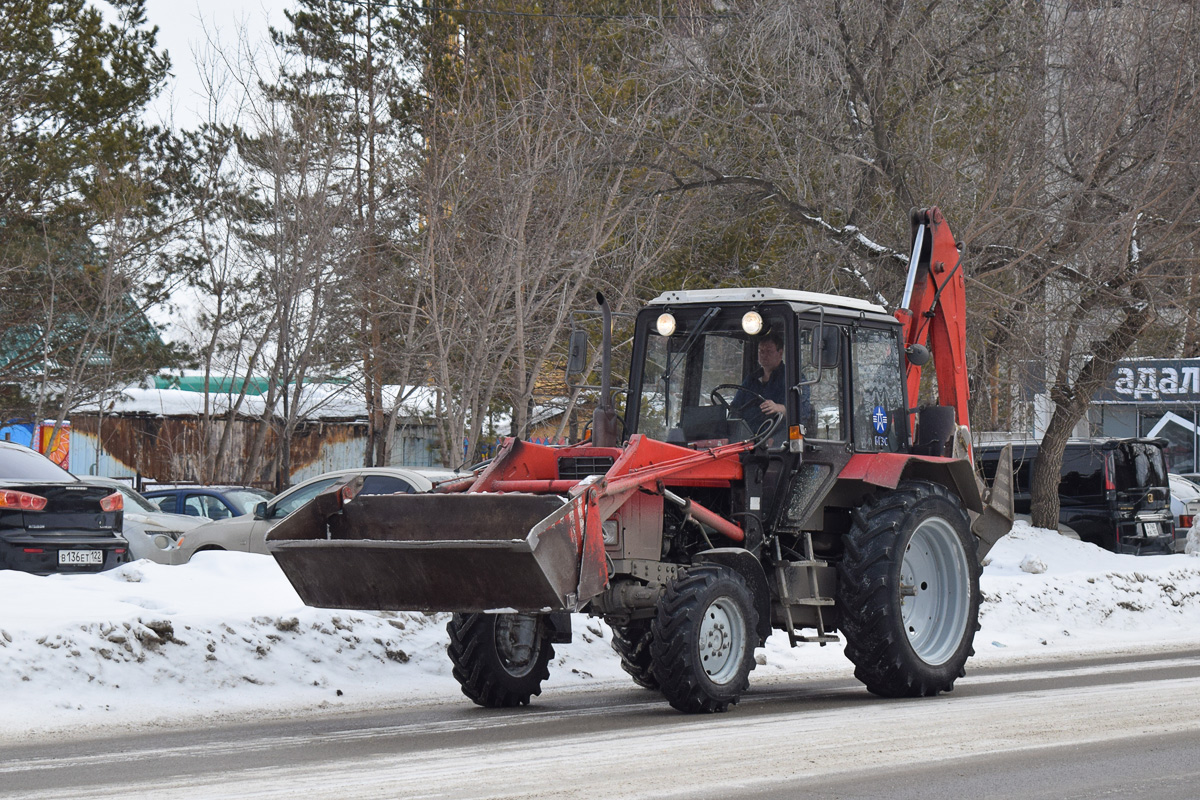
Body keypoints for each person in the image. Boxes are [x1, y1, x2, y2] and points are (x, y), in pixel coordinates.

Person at [731, 332, 787, 432]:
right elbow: (736, 406)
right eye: (761, 351)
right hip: (747, 435)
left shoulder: (790, 377)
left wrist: (779, 408)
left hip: (778, 438)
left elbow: (801, 410)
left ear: (780, 353)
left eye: (769, 351)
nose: (764, 355)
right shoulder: (751, 379)